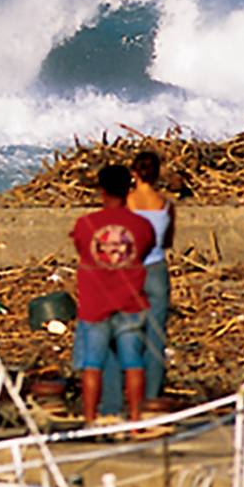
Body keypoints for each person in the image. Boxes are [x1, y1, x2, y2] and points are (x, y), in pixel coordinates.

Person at [71, 164, 156, 422]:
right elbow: (144, 250)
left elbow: (82, 248)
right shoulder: (142, 225)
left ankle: (89, 420)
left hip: (95, 304)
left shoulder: (85, 224)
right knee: (133, 363)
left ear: (101, 190)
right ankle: (134, 420)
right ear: (128, 189)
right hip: (130, 304)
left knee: (92, 365)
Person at [127, 150, 176, 401]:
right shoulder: (166, 204)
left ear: (134, 174)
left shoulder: (128, 202)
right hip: (157, 269)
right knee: (156, 337)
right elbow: (167, 241)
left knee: (129, 334)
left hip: (132, 270)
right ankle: (152, 396)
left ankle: (131, 396)